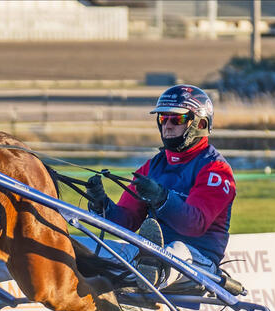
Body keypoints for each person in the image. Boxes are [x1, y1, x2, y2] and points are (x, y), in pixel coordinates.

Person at [83, 84, 236, 290]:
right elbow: (126, 221)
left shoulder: (216, 170)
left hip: (197, 260)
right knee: (71, 244)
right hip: (148, 252)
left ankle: (148, 270)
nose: (168, 125)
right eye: (163, 118)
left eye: (177, 119)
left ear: (199, 123)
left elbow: (194, 224)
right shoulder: (152, 166)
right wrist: (101, 204)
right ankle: (145, 268)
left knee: (174, 250)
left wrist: (163, 198)